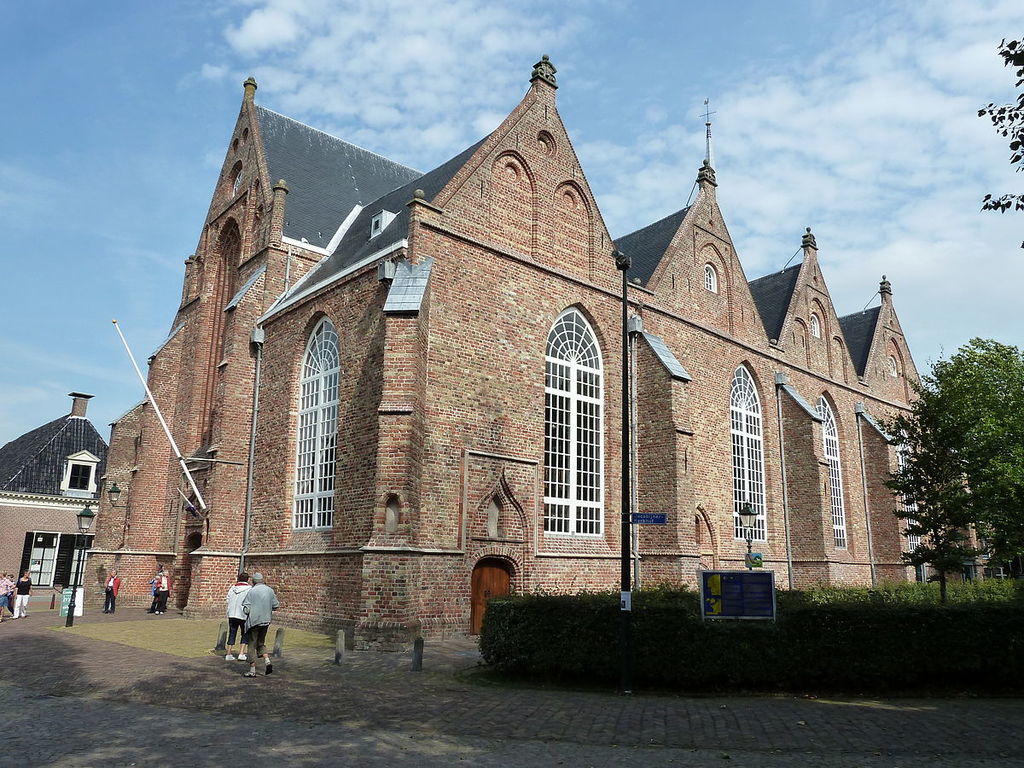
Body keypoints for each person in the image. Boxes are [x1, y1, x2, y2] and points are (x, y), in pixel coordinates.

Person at [241, 573, 279, 677]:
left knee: (252, 645)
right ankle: (267, 661)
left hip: (254, 622)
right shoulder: (270, 590)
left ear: (253, 581)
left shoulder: (252, 591)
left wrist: (246, 610)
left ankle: (252, 670)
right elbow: (276, 605)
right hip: (266, 621)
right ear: (262, 580)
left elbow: (247, 608)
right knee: (261, 642)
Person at [224, 572, 251, 661]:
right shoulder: (249, 589)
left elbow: (228, 599)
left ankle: (228, 654)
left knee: (232, 633)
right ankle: (241, 653)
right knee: (245, 633)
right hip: (243, 614)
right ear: (247, 579)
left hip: (232, 614)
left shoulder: (232, 588)